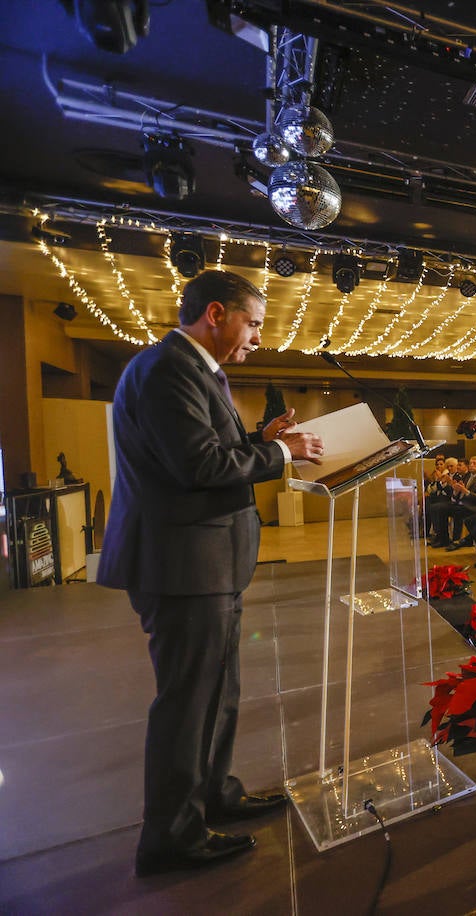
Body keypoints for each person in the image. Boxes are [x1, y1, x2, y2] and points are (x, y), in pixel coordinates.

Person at [98, 270, 324, 876]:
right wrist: (281, 453)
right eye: (253, 324)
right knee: (187, 701)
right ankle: (170, 836)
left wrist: (259, 437)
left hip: (207, 565)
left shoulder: (191, 370)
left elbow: (203, 452)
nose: (257, 339)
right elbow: (198, 465)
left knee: (218, 693)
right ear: (217, 314)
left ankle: (212, 795)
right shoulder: (167, 369)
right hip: (181, 566)